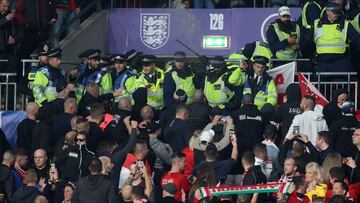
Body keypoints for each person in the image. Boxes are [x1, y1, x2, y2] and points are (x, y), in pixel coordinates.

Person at [309, 2, 360, 72]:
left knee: (341, 82)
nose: (336, 14)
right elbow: (309, 42)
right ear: (327, 12)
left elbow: (357, 39)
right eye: (334, 12)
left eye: (338, 12)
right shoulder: (316, 24)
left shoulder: (345, 24)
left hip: (341, 62)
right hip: (322, 63)